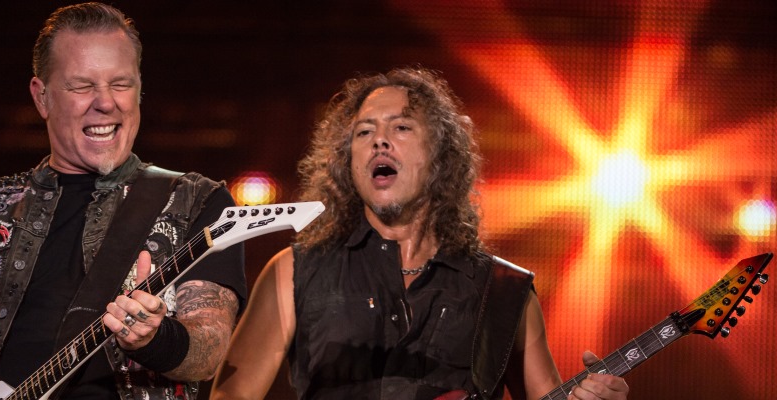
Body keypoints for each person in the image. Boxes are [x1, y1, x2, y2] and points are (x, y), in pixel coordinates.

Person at [0, 3, 246, 400]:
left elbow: (208, 348)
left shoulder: (197, 201)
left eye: (120, 84)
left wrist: (157, 338)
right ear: (42, 98)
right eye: (82, 86)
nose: (105, 102)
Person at [211, 68, 629, 400]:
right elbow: (232, 393)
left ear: (439, 156)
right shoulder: (293, 272)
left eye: (401, 128)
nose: (379, 141)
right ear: (348, 162)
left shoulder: (503, 290)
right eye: (364, 132)